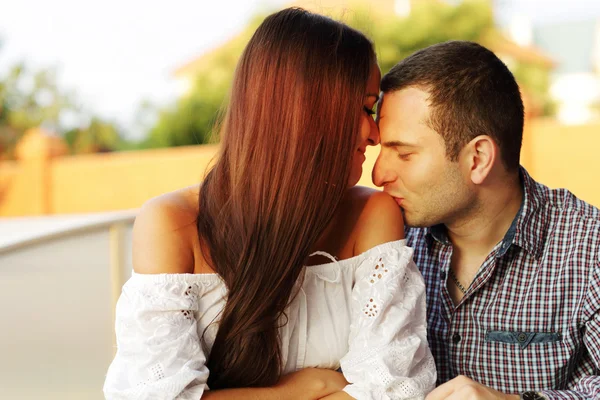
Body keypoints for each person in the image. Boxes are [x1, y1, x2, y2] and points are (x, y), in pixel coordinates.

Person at [103, 7, 436, 400]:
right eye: (365, 108)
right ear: (307, 111)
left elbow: (394, 391)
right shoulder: (172, 224)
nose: (375, 134)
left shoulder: (372, 216)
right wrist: (310, 387)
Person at [372, 40, 600, 400]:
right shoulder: (385, 239)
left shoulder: (588, 248)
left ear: (477, 158)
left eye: (403, 154)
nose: (378, 174)